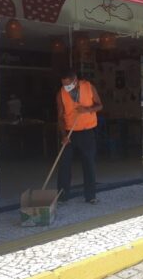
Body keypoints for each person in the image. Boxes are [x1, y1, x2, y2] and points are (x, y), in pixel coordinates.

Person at [56, 69, 103, 204]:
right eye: (64, 84)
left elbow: (100, 105)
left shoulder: (89, 87)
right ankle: (62, 196)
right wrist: (63, 135)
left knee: (88, 163)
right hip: (69, 133)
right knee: (64, 164)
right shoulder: (60, 93)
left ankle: (90, 196)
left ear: (75, 81)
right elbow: (60, 116)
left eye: (68, 84)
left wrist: (87, 110)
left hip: (87, 131)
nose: (66, 87)